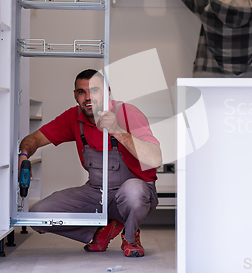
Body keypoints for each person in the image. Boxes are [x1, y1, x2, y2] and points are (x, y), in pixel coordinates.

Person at [17, 69, 162, 257]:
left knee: (133, 192)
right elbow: (34, 139)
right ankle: (101, 231)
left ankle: (130, 236)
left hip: (135, 191)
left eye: (94, 90)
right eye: (81, 92)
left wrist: (117, 131)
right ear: (75, 95)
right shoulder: (73, 118)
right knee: (38, 216)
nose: (88, 97)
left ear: (107, 91)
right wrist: (23, 155)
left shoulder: (127, 112)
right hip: (97, 191)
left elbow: (156, 159)